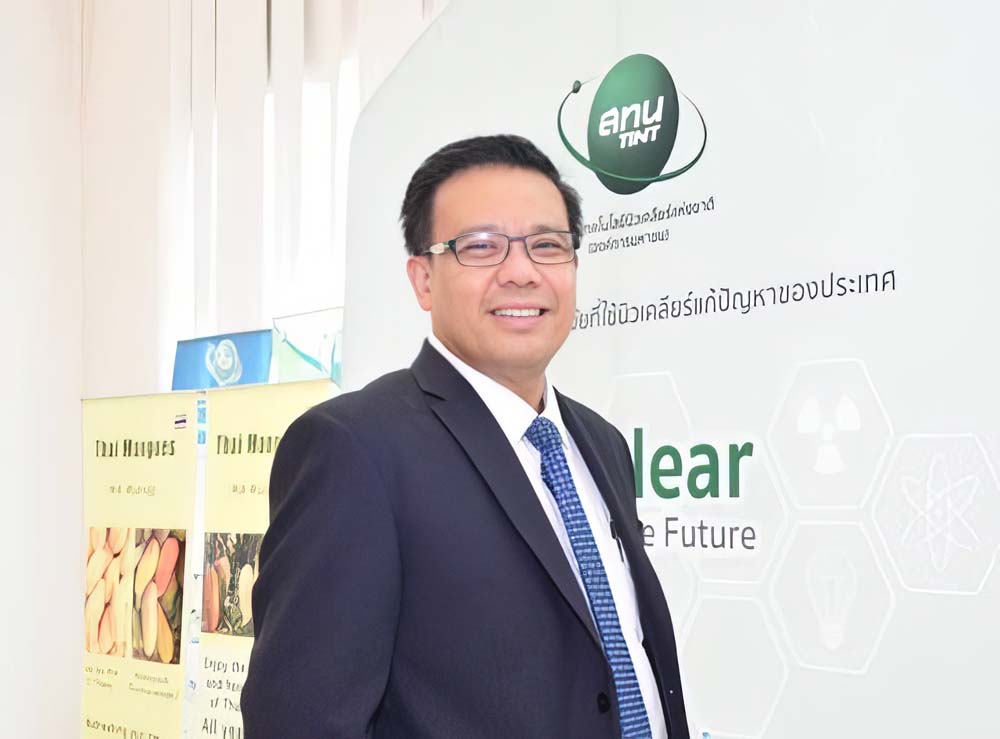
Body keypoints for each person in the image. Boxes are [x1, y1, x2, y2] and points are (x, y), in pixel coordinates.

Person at [241, 135, 689, 738]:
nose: (522, 273)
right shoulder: (355, 450)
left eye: (547, 246)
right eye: (480, 247)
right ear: (423, 280)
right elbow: (301, 721)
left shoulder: (601, 444)